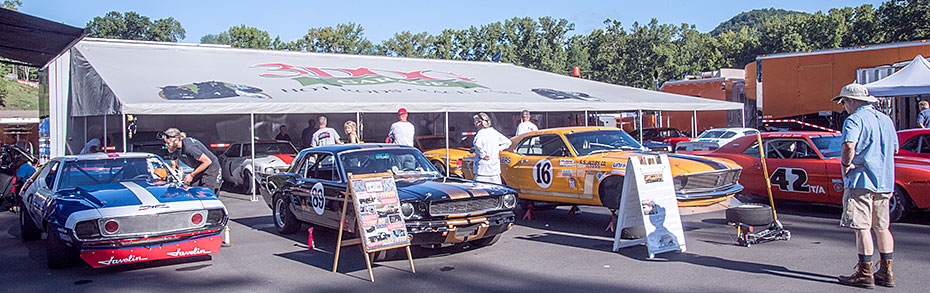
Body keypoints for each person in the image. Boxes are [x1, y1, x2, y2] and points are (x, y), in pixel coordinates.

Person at [832, 84, 898, 289]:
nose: (844, 106)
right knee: (882, 228)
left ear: (852, 101)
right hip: (885, 180)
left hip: (862, 180)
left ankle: (864, 273)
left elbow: (849, 145)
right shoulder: (886, 119)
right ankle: (886, 272)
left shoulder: (854, 120)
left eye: (844, 102)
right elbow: (894, 149)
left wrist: (846, 165)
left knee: (862, 227)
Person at [162, 128, 223, 195]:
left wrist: (191, 175)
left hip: (211, 167)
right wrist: (173, 178)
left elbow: (207, 161)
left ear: (176, 140)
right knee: (193, 189)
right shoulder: (173, 149)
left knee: (206, 191)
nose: (166, 145)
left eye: (168, 143)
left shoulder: (189, 148)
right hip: (199, 166)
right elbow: (174, 165)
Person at [471, 113, 511, 184]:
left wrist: (483, 155)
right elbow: (508, 142)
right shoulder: (494, 132)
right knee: (496, 188)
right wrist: (497, 150)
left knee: (481, 190)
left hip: (483, 169)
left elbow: (477, 145)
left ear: (480, 123)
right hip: (494, 167)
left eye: (476, 122)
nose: (475, 124)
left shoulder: (481, 133)